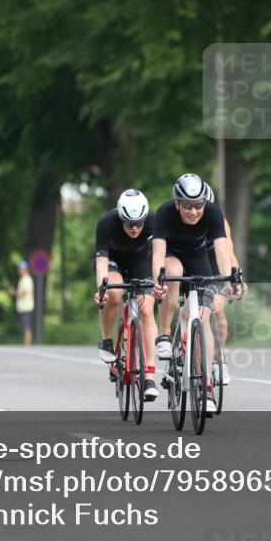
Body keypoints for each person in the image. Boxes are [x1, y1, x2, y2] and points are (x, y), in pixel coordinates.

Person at [152, 173, 235, 414]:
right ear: (177, 203)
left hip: (200, 260)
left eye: (198, 205)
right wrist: (159, 279)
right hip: (172, 256)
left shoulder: (213, 213)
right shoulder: (165, 213)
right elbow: (158, 253)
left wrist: (228, 279)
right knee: (173, 271)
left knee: (204, 319)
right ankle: (165, 334)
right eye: (187, 205)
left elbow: (222, 253)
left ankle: (206, 387)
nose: (193, 211)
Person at [93, 189, 160, 401]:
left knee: (146, 311)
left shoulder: (154, 221)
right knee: (113, 292)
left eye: (139, 223)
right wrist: (101, 289)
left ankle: (149, 377)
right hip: (114, 262)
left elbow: (160, 253)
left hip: (141, 262)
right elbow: (101, 261)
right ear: (120, 217)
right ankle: (106, 339)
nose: (135, 228)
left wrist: (159, 282)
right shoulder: (106, 223)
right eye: (129, 223)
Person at [201, 181, 247, 386]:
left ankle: (220, 356)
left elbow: (228, 255)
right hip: (186, 263)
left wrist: (235, 279)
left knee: (216, 307)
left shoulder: (221, 222)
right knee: (188, 309)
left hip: (213, 262)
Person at [8, 260, 34, 346]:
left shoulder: (26, 279)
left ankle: (27, 344)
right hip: (24, 307)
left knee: (26, 327)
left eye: (20, 269)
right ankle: (26, 343)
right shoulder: (23, 279)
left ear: (24, 269)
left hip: (26, 307)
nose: (19, 271)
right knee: (26, 326)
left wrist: (14, 293)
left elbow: (24, 293)